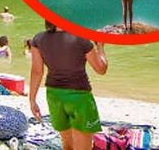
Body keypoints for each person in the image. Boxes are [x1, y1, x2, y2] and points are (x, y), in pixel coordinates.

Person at [29, 21, 108, 150]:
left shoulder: (38, 39)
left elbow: (37, 71)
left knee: (67, 146)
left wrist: (32, 99)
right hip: (79, 98)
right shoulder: (82, 39)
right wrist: (100, 46)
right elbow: (101, 69)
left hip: (54, 96)